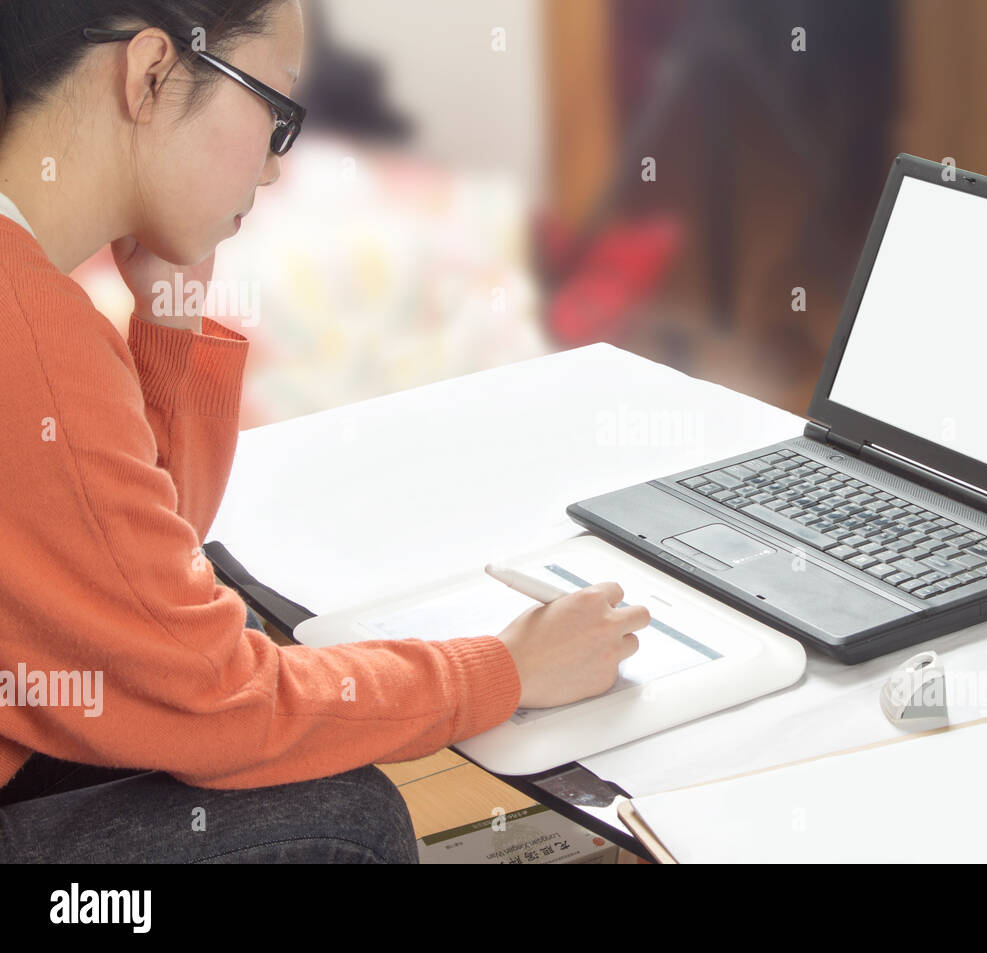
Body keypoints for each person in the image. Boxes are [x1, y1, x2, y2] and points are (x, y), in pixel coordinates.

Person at [0, 0, 647, 863]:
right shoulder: (32, 338)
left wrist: (171, 310)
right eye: (276, 111)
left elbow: (138, 601)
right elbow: (218, 696)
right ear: (151, 75)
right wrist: (505, 669)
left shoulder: (32, 304)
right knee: (342, 824)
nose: (272, 172)